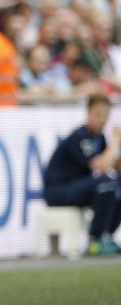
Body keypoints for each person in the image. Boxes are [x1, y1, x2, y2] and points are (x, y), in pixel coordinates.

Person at [43, 93, 121, 255]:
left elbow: (112, 165)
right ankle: (96, 239)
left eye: (105, 116)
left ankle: (107, 235)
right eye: (98, 115)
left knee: (116, 185)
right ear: (88, 113)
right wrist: (115, 142)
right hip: (58, 190)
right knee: (105, 183)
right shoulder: (80, 137)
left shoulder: (99, 138)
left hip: (79, 187)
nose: (102, 120)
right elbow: (99, 166)